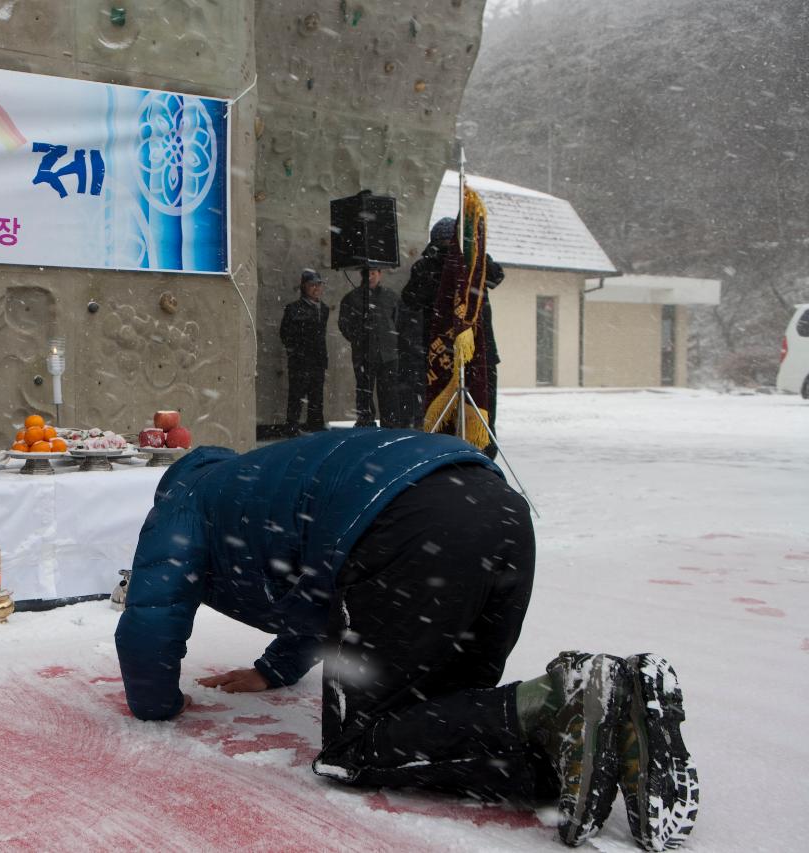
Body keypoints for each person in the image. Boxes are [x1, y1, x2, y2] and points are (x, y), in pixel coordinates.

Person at [115, 431, 698, 850]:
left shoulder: (181, 504)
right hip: (493, 506)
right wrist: (276, 669)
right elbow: (312, 592)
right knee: (452, 718)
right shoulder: (257, 485)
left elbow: (150, 613)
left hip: (406, 524)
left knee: (357, 749)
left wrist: (155, 704)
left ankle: (560, 699)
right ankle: (610, 711)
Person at [398, 218, 505, 445]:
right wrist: (439, 266)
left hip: (477, 351)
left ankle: (479, 449)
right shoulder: (426, 266)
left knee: (480, 408)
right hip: (443, 353)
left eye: (451, 242)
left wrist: (473, 256)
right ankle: (455, 449)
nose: (448, 247)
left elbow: (496, 276)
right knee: (445, 408)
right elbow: (411, 299)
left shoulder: (473, 263)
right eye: (445, 243)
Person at [338, 264, 401, 427]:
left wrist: (393, 341)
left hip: (388, 355)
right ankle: (366, 423)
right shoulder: (352, 298)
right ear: (362, 275)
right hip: (364, 354)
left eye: (373, 273)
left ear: (380, 274)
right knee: (364, 392)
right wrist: (358, 340)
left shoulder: (391, 296)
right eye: (367, 274)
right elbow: (344, 324)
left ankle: (390, 424)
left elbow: (400, 322)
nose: (370, 277)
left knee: (389, 393)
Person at [278, 268, 331, 434]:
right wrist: (295, 352)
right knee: (297, 394)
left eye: (318, 285)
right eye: (311, 285)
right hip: (300, 360)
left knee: (316, 394)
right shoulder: (293, 308)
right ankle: (292, 426)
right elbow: (285, 333)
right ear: (304, 287)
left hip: (318, 359)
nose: (316, 288)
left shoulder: (324, 309)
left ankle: (315, 423)